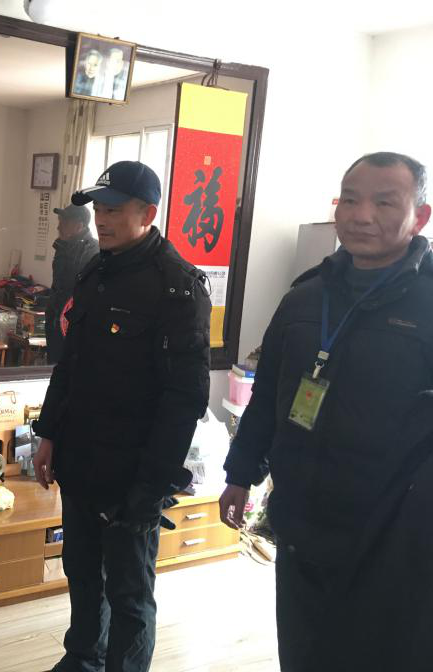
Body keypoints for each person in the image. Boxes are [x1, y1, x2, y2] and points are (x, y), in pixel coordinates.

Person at [219, 152, 433, 671]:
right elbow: (269, 394)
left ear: (420, 216)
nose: (362, 216)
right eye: (350, 200)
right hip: (302, 522)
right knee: (303, 651)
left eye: (385, 203)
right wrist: (241, 474)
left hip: (393, 536)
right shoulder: (305, 297)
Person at [32, 161, 211, 672]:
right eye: (99, 210)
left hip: (133, 472)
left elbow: (185, 399)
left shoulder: (176, 287)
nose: (102, 220)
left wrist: (151, 487)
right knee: (82, 572)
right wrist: (48, 434)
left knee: (129, 592)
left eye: (114, 210)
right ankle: (82, 658)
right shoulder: (96, 271)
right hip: (81, 459)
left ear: (148, 213)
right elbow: (70, 365)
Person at [46, 204, 98, 363]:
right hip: (54, 318)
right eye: (60, 221)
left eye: (64, 222)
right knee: (53, 365)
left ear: (79, 225)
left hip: (74, 323)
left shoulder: (94, 251)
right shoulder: (63, 246)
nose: (58, 226)